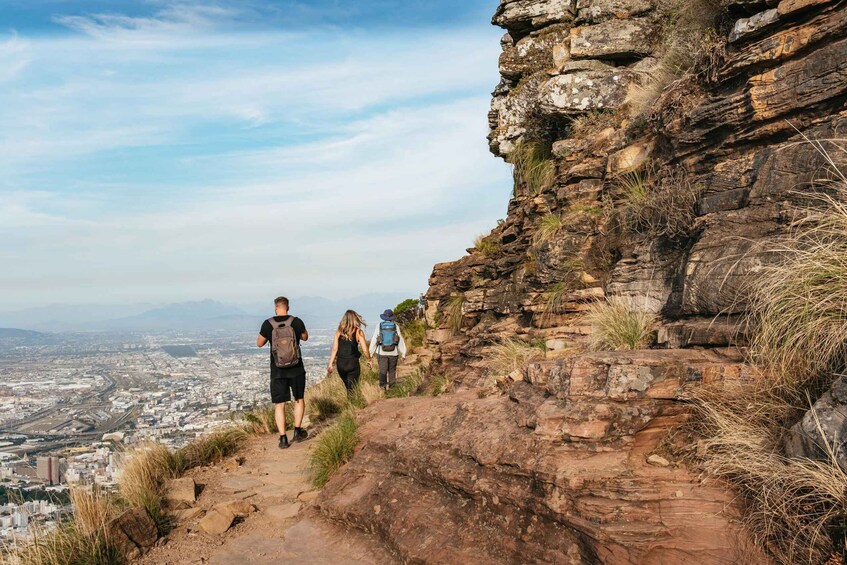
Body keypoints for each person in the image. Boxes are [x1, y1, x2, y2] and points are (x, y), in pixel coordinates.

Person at [257, 296, 309, 449]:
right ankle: (298, 431)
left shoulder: (268, 324)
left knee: (279, 404)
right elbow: (305, 337)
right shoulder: (296, 321)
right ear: (288, 307)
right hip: (296, 368)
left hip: (278, 370)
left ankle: (283, 438)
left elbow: (259, 343)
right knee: (299, 399)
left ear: (276, 307)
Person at [326, 310, 372, 393]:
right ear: (355, 319)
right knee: (352, 389)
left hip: (340, 364)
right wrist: (369, 360)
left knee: (348, 387)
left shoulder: (338, 332)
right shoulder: (358, 331)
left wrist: (330, 364)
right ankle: (353, 403)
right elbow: (365, 350)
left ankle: (350, 403)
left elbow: (335, 349)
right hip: (352, 363)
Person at [369, 309, 407, 390]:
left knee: (382, 371)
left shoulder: (379, 326)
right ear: (392, 317)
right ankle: (392, 389)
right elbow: (400, 339)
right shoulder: (395, 326)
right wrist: (403, 353)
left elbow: (374, 340)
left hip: (381, 353)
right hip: (394, 353)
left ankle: (383, 390)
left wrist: (370, 354)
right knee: (392, 371)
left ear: (383, 317)